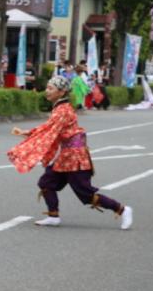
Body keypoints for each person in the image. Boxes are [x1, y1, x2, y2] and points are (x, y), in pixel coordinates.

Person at [7, 75, 133, 230]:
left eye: (50, 88)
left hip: (75, 157)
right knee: (47, 182)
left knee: (86, 194)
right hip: (66, 156)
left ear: (61, 92)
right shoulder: (60, 108)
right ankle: (53, 216)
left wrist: (28, 133)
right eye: (47, 87)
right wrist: (29, 133)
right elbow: (50, 128)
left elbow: (49, 130)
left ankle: (122, 209)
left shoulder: (63, 110)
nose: (47, 91)